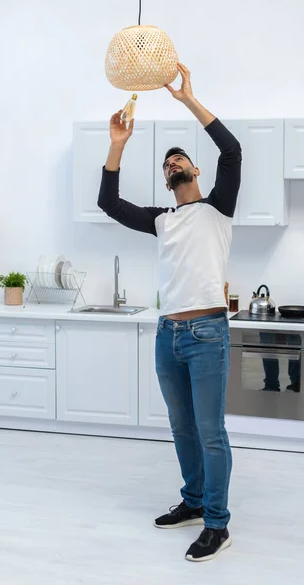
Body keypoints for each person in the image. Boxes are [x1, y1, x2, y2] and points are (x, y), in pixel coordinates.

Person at [98, 63, 242, 562]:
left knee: (210, 431)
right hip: (168, 334)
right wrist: (118, 143)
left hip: (207, 333)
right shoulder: (162, 221)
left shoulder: (218, 208)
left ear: (194, 171)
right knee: (182, 428)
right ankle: (195, 501)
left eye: (179, 158)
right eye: (166, 163)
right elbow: (109, 202)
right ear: (166, 181)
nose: (172, 164)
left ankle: (218, 524)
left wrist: (187, 100)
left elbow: (232, 150)